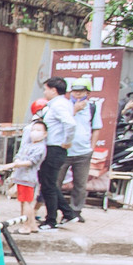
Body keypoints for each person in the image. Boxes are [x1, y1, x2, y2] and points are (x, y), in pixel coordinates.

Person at [37, 77, 77, 231]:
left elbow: (70, 124)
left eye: (46, 89)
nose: (44, 92)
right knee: (49, 184)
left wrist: (67, 141)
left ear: (53, 90)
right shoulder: (61, 103)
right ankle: (68, 213)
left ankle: (51, 220)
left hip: (55, 148)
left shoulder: (59, 105)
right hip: (54, 148)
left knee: (48, 186)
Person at [0, 119, 47, 233]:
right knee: (23, 202)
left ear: (45, 134)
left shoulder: (40, 147)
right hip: (21, 177)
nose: (35, 132)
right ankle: (33, 225)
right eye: (33, 130)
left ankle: (26, 226)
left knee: (26, 203)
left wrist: (14, 164)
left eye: (38, 130)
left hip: (28, 178)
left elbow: (31, 162)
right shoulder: (28, 145)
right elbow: (19, 156)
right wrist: (16, 161)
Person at [65, 78, 104, 221]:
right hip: (65, 150)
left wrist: (91, 148)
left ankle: (76, 210)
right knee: (55, 182)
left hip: (83, 152)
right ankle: (54, 210)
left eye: (80, 92)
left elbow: (96, 129)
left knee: (80, 184)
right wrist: (75, 110)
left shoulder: (92, 108)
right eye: (75, 91)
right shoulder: (66, 106)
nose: (77, 95)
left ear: (87, 93)